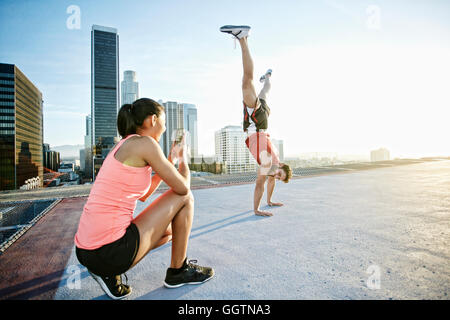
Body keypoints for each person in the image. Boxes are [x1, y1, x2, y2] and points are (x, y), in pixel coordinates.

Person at [74, 98, 214, 299]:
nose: (165, 128)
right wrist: (184, 159)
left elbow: (144, 195)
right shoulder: (145, 143)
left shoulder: (124, 145)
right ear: (153, 120)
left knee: (168, 233)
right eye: (164, 123)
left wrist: (171, 160)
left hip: (88, 250)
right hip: (109, 252)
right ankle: (178, 271)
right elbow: (182, 189)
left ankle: (107, 273)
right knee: (186, 199)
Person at [220, 25, 293, 217]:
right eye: (279, 173)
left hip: (263, 122)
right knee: (246, 81)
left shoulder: (274, 167)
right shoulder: (270, 162)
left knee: (265, 91)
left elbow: (270, 182)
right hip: (256, 123)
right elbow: (260, 184)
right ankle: (243, 38)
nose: (275, 176)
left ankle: (267, 77)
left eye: (278, 177)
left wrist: (269, 201)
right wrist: (256, 209)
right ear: (281, 165)